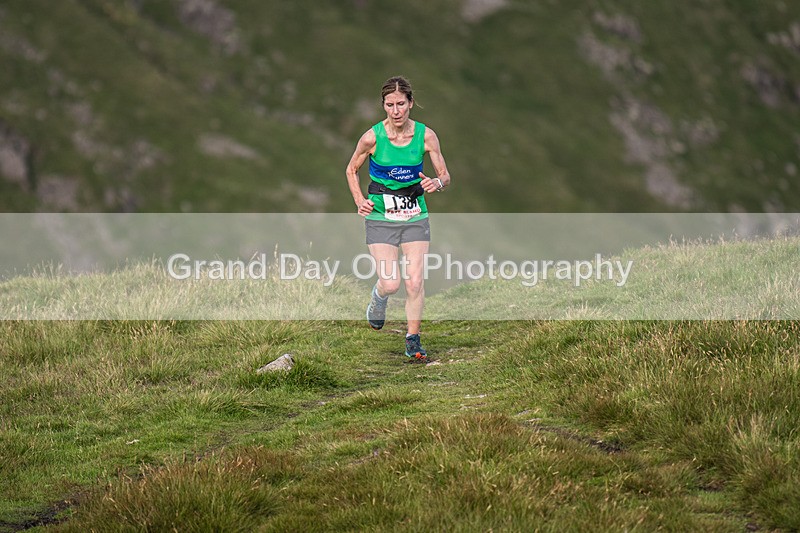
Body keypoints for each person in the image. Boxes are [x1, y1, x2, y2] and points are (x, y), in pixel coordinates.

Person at [345, 76, 451, 362]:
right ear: (383, 106)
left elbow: (445, 175)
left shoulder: (426, 136)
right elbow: (351, 170)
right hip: (381, 215)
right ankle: (379, 299)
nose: (396, 111)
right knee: (391, 283)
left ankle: (413, 340)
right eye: (390, 105)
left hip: (416, 213)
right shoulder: (372, 137)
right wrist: (359, 201)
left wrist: (436, 184)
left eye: (401, 104)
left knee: (414, 283)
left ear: (411, 103)